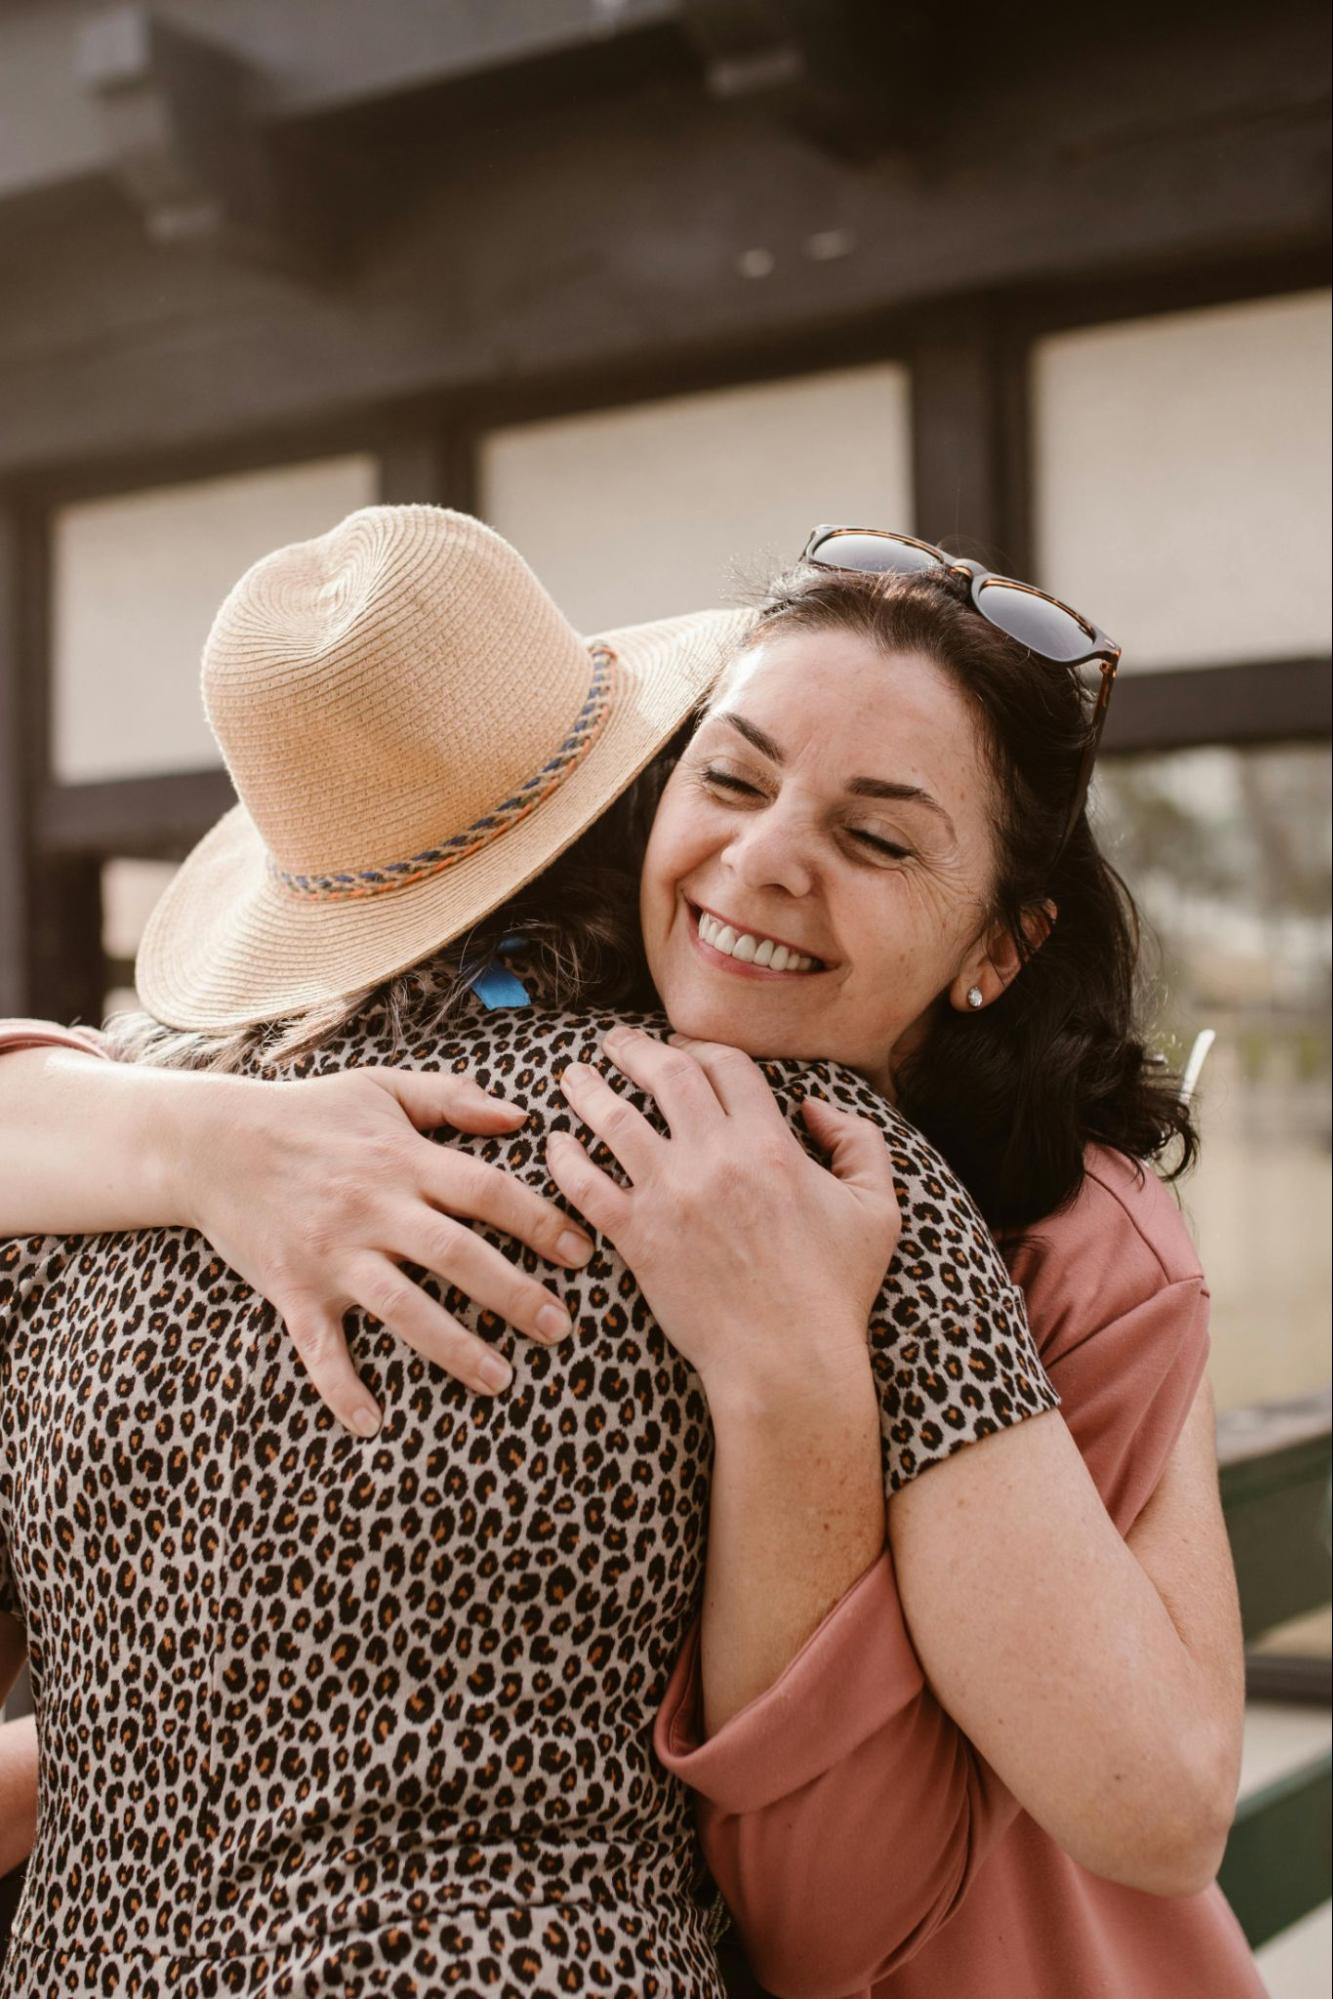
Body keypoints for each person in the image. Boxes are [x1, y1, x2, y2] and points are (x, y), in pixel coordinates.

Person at [0, 510, 1257, 1997]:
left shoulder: (1034, 1232)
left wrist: (786, 1376)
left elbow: (1062, 1838)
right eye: (730, 778)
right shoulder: (783, 1159)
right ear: (644, 797)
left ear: (1001, 946)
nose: (767, 861)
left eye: (874, 836)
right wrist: (197, 1143)